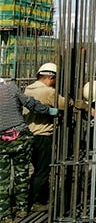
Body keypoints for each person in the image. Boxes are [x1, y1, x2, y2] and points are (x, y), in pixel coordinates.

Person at [0, 78, 58, 223]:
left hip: (1, 140)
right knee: (22, 175)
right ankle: (22, 210)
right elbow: (31, 104)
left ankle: (5, 215)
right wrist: (50, 110)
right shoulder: (11, 89)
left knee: (2, 179)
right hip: (20, 137)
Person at [24, 63, 67, 211]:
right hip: (42, 135)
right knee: (42, 171)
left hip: (28, 134)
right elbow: (65, 104)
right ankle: (35, 202)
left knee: (35, 169)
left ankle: (34, 199)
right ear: (50, 77)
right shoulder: (48, 92)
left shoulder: (28, 89)